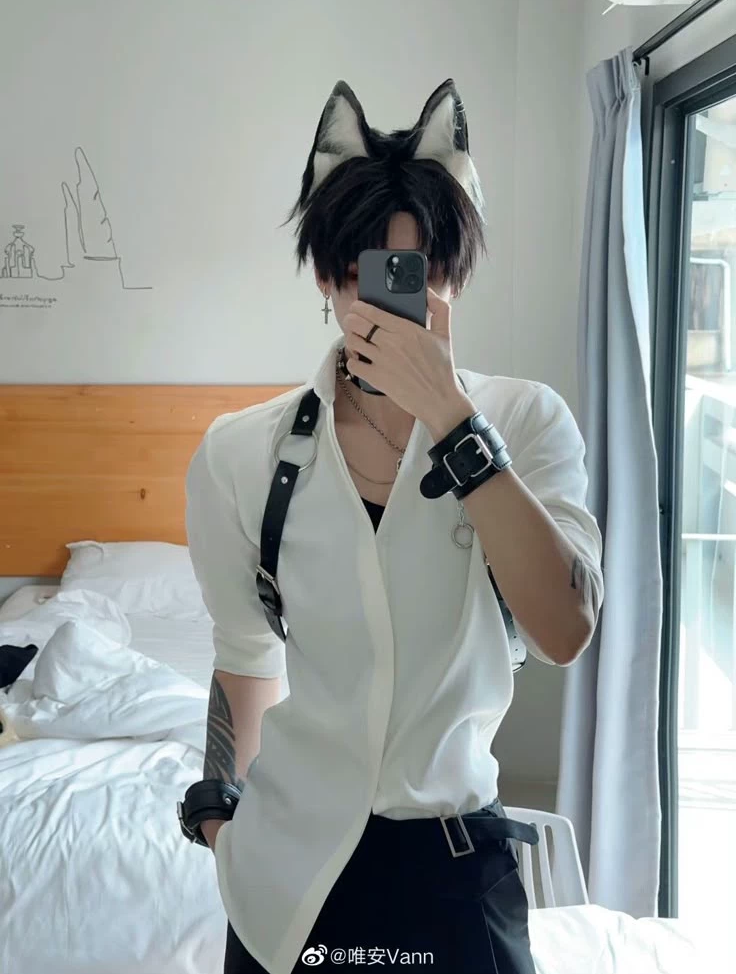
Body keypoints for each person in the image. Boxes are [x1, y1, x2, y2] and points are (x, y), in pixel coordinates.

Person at [181, 79, 604, 974]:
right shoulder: (243, 454)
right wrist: (224, 823)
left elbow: (564, 630)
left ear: (455, 274)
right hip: (284, 877)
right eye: (370, 271)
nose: (395, 297)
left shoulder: (525, 423)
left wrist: (450, 417)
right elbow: (244, 654)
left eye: (424, 270)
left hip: (456, 862)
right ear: (328, 276)